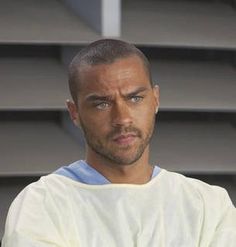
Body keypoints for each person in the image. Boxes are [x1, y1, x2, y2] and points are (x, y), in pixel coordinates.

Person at [2, 39, 236, 246]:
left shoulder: (208, 206)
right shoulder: (42, 205)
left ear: (155, 100)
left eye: (135, 98)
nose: (122, 118)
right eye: (101, 104)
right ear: (75, 113)